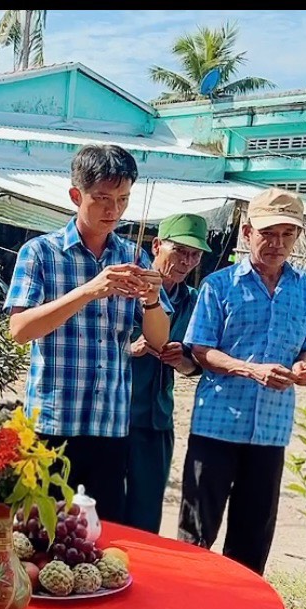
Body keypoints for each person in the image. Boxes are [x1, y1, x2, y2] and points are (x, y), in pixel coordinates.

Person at [8, 145, 170, 525]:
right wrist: (88, 291)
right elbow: (20, 330)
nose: (113, 210)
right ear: (75, 195)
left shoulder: (134, 257)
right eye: (102, 199)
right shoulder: (40, 253)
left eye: (123, 199)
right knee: (39, 534)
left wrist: (151, 299)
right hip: (51, 425)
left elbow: (159, 340)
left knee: (101, 537)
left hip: (109, 425)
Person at [179, 189, 306, 576]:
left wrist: (304, 368)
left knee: (252, 538)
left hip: (271, 432)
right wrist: (252, 370)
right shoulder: (219, 285)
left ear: (297, 237)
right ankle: (186, 604)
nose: (277, 243)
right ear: (247, 233)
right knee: (195, 534)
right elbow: (201, 350)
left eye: (287, 234)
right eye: (268, 233)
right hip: (216, 426)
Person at [123, 214, 211, 534]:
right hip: (114, 414)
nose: (186, 261)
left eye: (195, 255)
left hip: (157, 419)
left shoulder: (193, 301)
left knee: (146, 517)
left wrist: (180, 360)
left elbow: (194, 364)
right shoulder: (127, 288)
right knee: (103, 509)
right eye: (180, 251)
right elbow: (94, 341)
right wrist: (129, 348)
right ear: (157, 245)